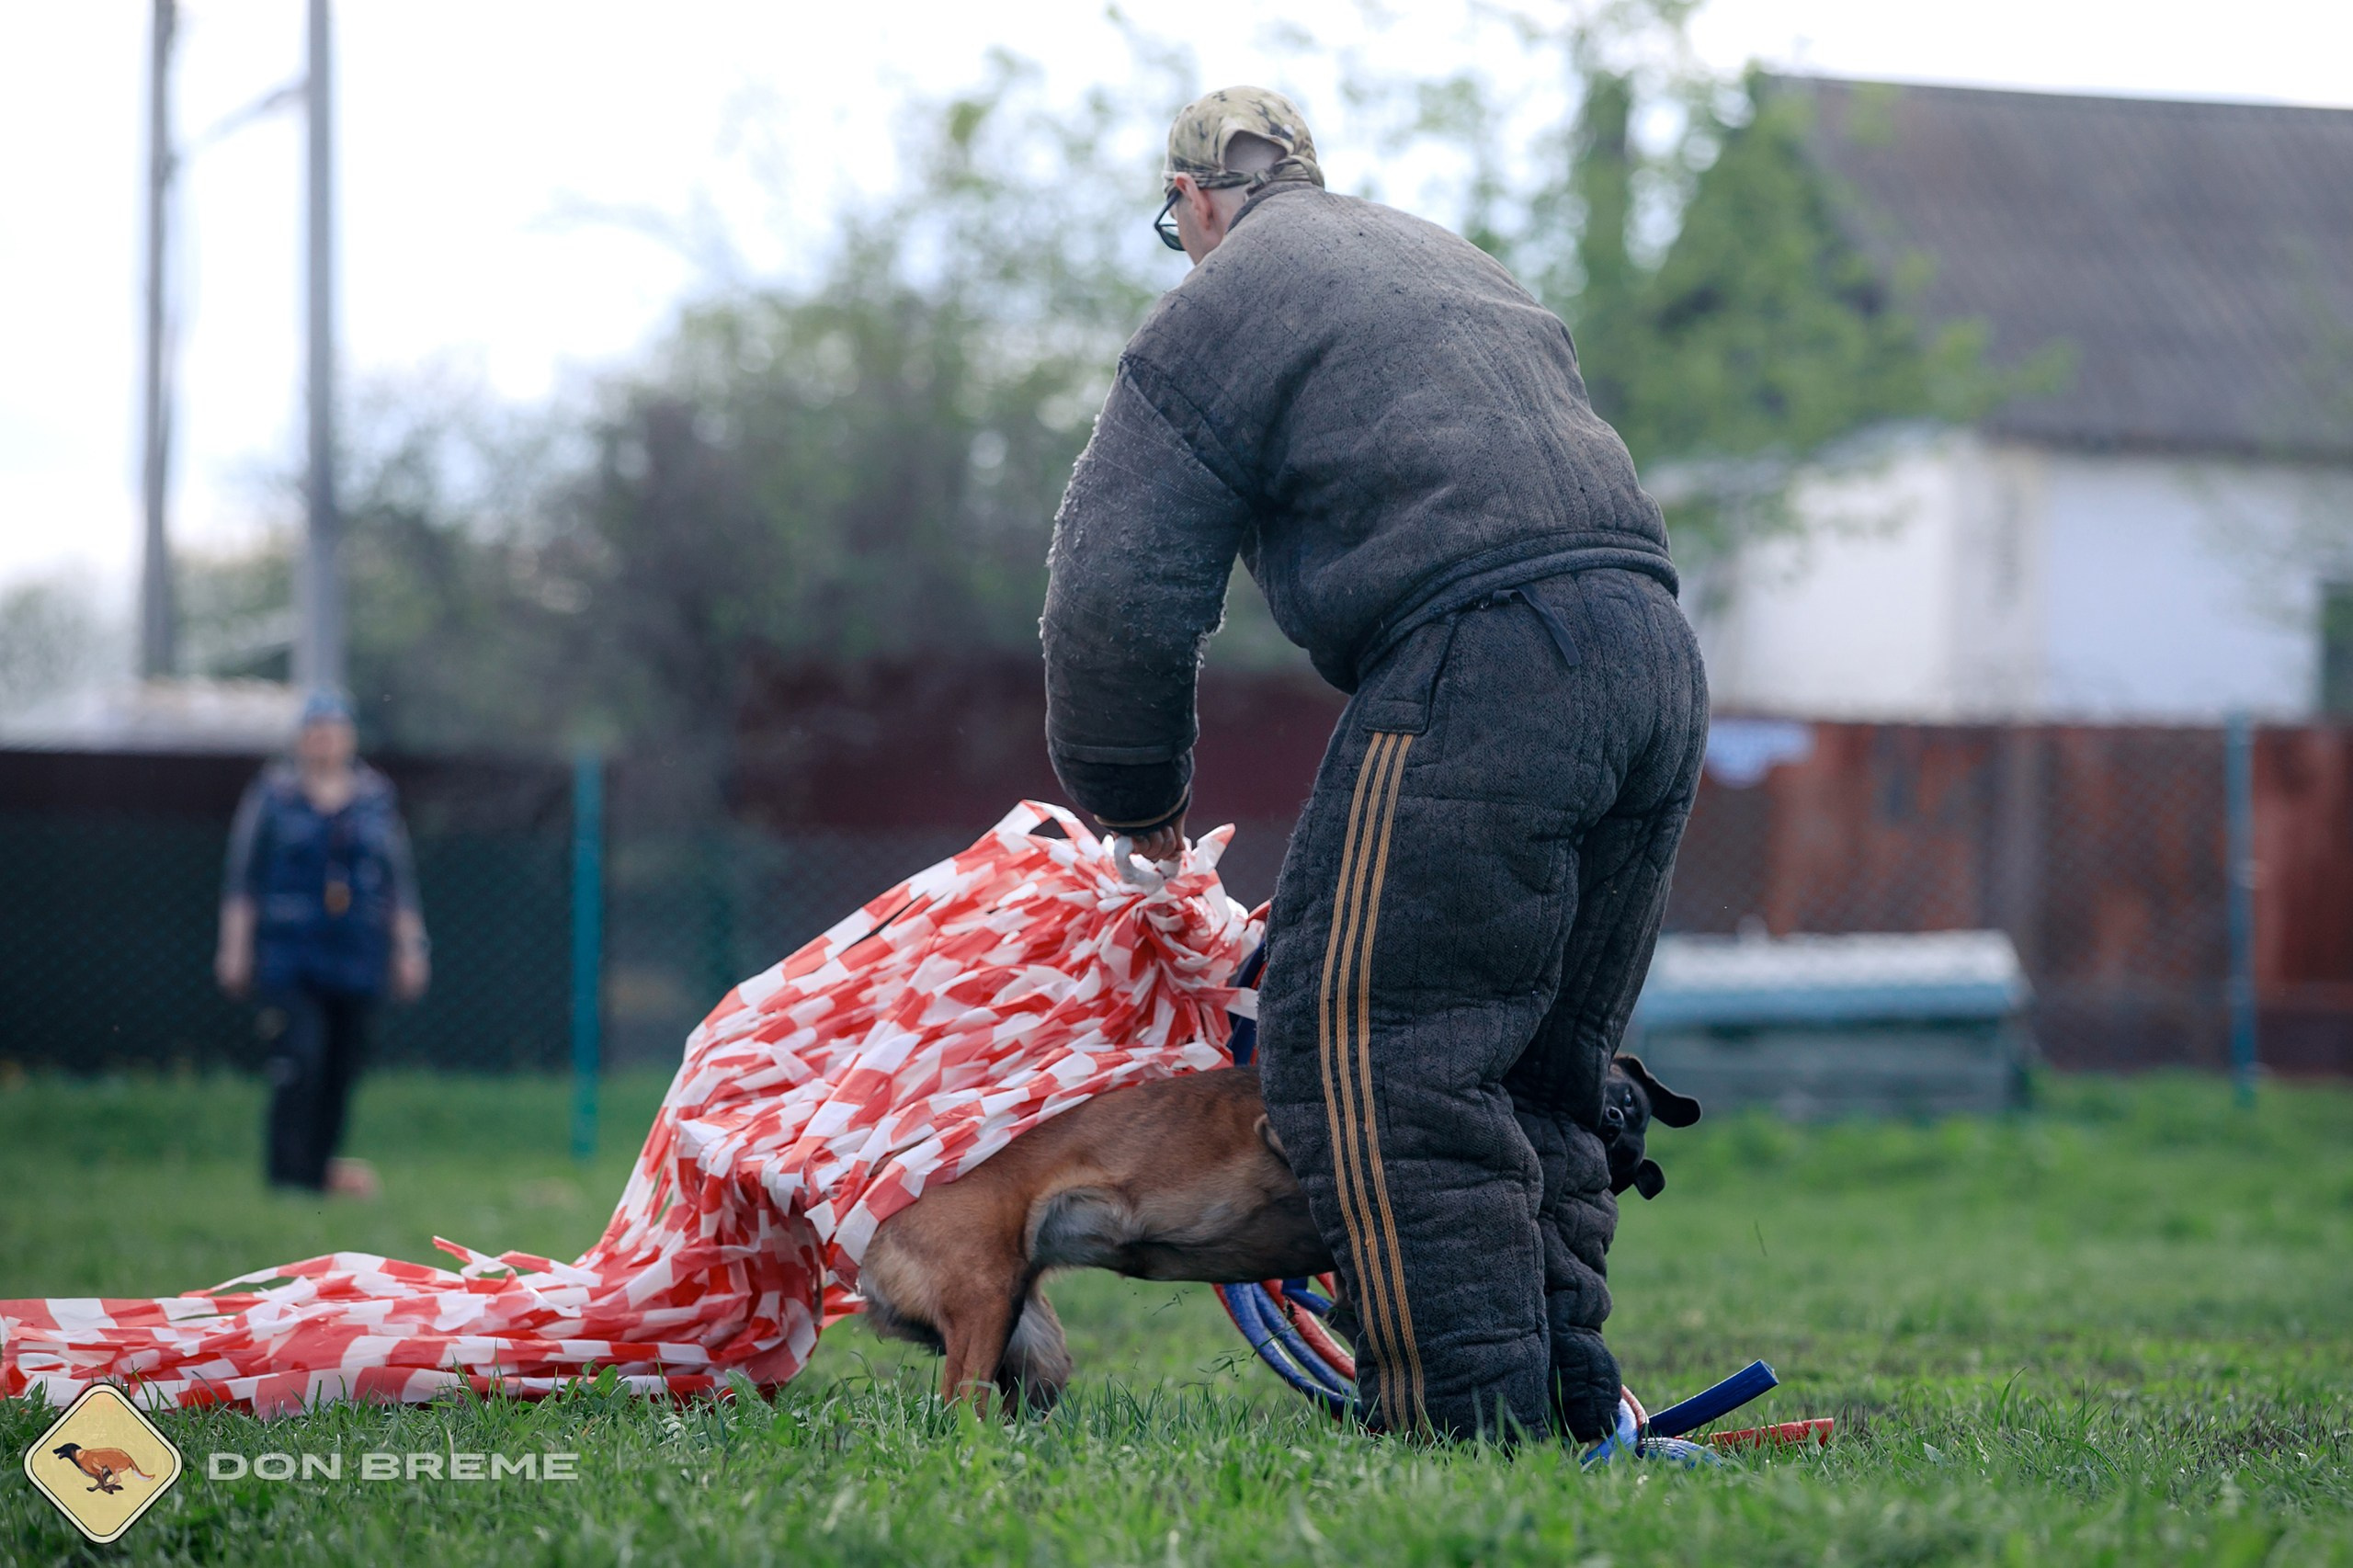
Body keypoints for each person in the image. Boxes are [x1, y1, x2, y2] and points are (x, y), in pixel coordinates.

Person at [1040, 87, 1708, 1443]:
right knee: (1546, 1067)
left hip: (1486, 655)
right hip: (1654, 654)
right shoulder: (1449, 261)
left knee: (1376, 1047)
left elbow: (1113, 591)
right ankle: (1571, 1404)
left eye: (1178, 224)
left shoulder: (1220, 304)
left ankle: (1464, 1424)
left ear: (1199, 204)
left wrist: (1136, 801)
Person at [215, 690, 429, 1196]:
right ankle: (286, 1177)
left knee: (341, 1066)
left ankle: (318, 1173)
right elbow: (242, 881)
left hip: (357, 953)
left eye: (333, 730)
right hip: (290, 953)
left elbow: (398, 881)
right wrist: (234, 948)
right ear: (301, 740)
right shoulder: (272, 796)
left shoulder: (376, 797)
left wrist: (411, 948)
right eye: (315, 731)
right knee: (299, 1061)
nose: (324, 741)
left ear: (349, 738)